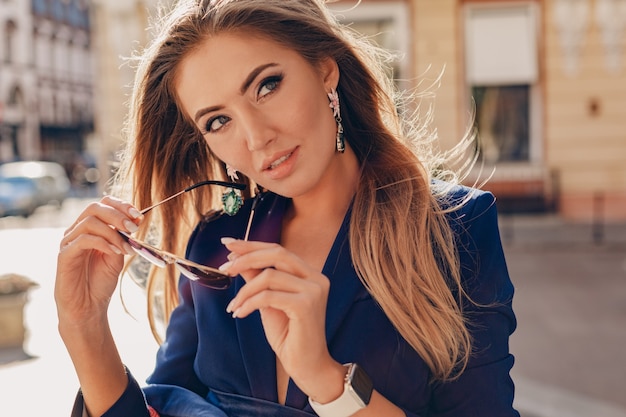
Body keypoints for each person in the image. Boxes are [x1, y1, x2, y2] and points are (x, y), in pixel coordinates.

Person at [55, 0, 520, 416]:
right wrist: (84, 327)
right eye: (219, 121)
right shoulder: (215, 250)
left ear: (324, 69)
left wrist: (325, 379)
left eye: (267, 86)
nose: (257, 138)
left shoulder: (454, 227)